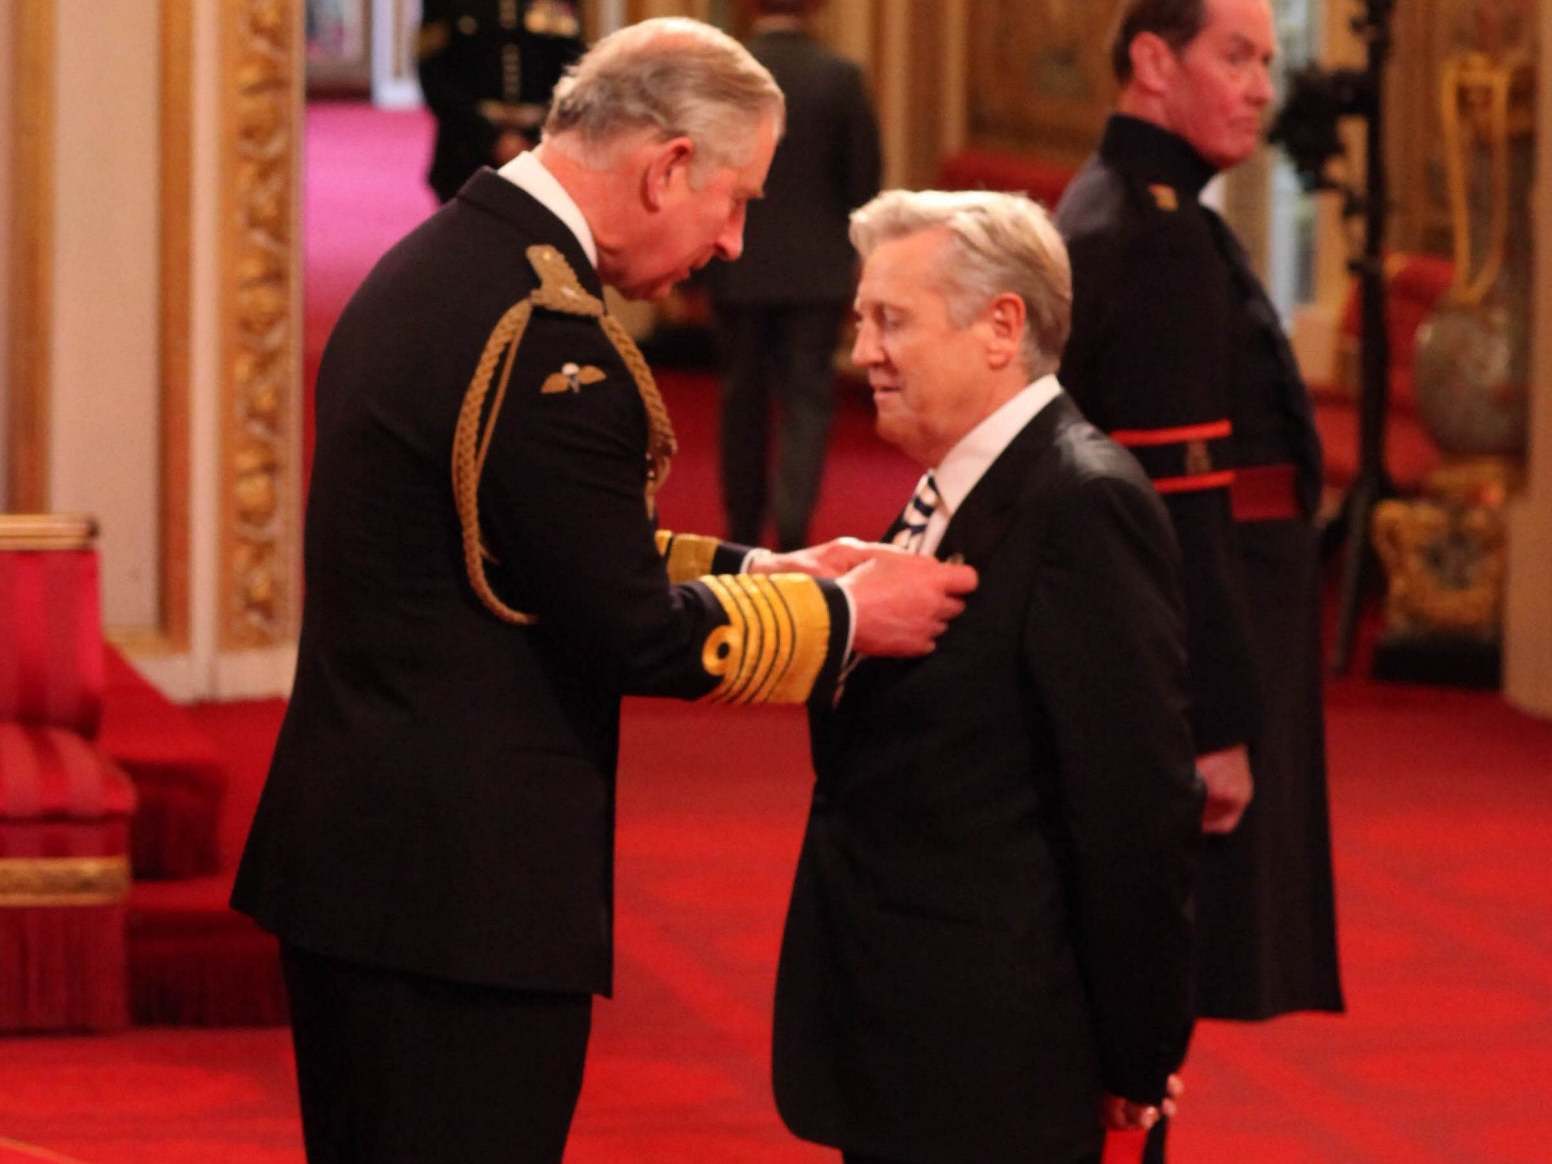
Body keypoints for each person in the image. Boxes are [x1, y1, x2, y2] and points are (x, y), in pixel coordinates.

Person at [232, 19, 977, 1164]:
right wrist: (842, 619)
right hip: (461, 901)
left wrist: (761, 569)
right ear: (667, 165)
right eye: (733, 202)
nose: (732, 243)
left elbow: (538, 547)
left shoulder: (446, 260)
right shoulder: (549, 339)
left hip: (370, 863)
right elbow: (630, 632)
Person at [771, 189, 1203, 1164]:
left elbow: (1133, 807)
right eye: (859, 321)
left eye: (891, 321)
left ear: (1000, 326)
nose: (863, 352)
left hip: (995, 1061)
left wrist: (1137, 1051)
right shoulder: (953, 492)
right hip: (909, 1037)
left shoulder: (1081, 507)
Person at [1054, 1, 1345, 1157]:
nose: (1262, 87)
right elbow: (1176, 507)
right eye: (1236, 58)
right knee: (1143, 981)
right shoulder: (1157, 231)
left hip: (1159, 647)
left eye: (1269, 63)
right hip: (1185, 665)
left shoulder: (1124, 202)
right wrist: (1216, 723)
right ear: (1151, 61)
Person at [704, 0, 881, 550]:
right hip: (817, 274)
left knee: (742, 400)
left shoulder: (726, 75)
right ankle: (794, 527)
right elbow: (864, 180)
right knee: (808, 400)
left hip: (739, 266)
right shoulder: (841, 76)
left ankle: (740, 529)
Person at [416, 0, 585, 203]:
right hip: (466, 149)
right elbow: (434, 75)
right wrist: (491, 137)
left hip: (542, 149)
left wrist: (537, 132)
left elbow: (575, 68)